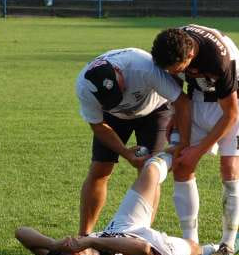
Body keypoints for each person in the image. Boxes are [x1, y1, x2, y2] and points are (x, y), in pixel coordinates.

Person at [150, 24, 239, 255]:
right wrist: (178, 124)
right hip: (197, 97)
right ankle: (191, 243)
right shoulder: (169, 47)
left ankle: (227, 245)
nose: (172, 73)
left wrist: (198, 150)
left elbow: (229, 114)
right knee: (182, 164)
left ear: (190, 56)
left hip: (235, 97)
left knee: (229, 168)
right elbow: (178, 93)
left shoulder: (218, 58)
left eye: (177, 69)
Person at [16, 149, 202, 255]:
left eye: (69, 250)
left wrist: (53, 245)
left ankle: (183, 147)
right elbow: (142, 249)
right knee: (195, 248)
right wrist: (91, 242)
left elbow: (21, 233)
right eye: (80, 253)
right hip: (160, 249)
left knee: (151, 169)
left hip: (122, 228)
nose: (74, 247)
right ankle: (211, 249)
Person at [75, 48, 190, 236]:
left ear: (119, 72)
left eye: (120, 91)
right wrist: (125, 152)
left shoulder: (143, 66)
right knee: (99, 169)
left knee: (150, 171)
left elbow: (181, 100)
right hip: (112, 118)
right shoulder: (84, 87)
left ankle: (138, 236)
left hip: (155, 110)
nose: (122, 97)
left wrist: (183, 141)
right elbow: (98, 125)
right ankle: (84, 237)